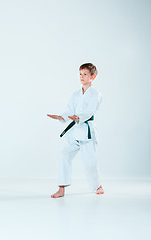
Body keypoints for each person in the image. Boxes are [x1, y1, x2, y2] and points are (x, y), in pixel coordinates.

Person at [47, 63, 104, 198]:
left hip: (87, 132)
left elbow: (90, 112)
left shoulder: (96, 94)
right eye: (80, 74)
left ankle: (97, 186)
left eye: (85, 74)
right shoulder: (75, 94)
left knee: (90, 162)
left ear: (93, 77)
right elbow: (69, 111)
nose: (81, 77)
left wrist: (79, 117)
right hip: (74, 132)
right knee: (64, 155)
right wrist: (61, 116)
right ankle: (61, 188)